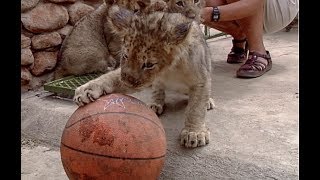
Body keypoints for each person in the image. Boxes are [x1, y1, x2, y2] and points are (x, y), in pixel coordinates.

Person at [200, 0, 299, 78]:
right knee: (200, 3)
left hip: (279, 8)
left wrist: (210, 14)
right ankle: (240, 37)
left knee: (197, 10)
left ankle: (259, 51)